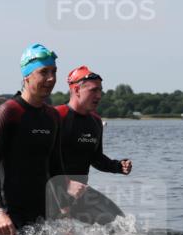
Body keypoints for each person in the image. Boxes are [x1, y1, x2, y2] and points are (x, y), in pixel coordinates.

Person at [0, 43, 66, 235]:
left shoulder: (52, 116)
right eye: (43, 72)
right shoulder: (7, 113)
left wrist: (64, 204)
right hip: (9, 212)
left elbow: (56, 165)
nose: (51, 78)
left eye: (54, 72)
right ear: (27, 76)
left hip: (41, 209)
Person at [56, 65, 132, 224]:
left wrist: (118, 166)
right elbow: (39, 159)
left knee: (119, 223)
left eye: (100, 90)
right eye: (93, 90)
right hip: (52, 191)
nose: (99, 95)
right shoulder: (56, 117)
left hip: (78, 193)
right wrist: (65, 185)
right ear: (76, 90)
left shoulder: (95, 122)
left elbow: (96, 158)